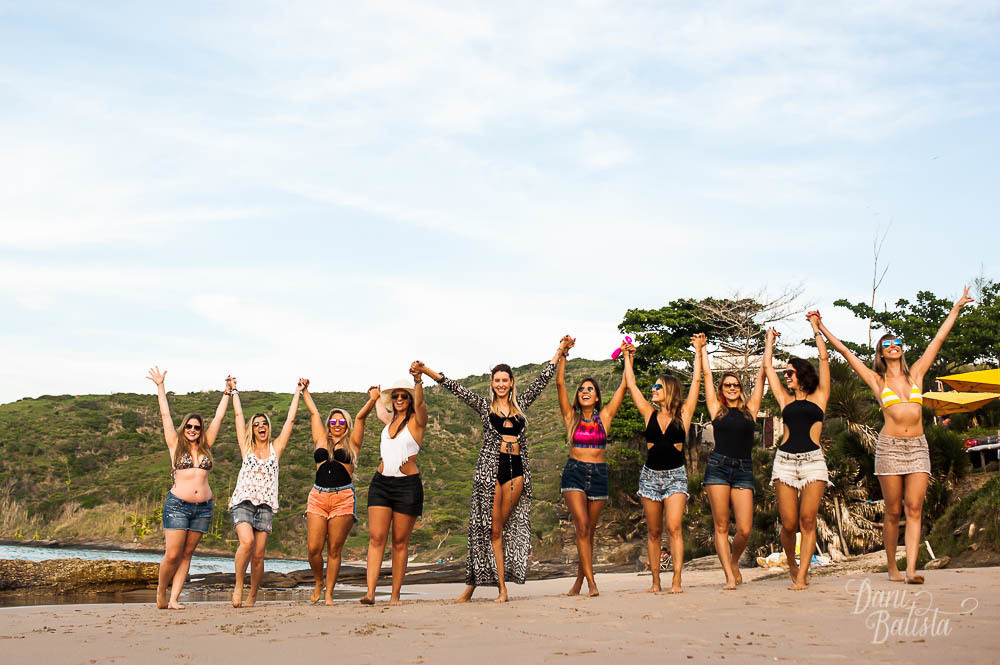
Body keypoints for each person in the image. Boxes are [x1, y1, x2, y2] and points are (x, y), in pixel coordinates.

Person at [811, 286, 974, 584]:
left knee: (915, 507)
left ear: (902, 349)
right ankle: (892, 567)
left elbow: (938, 339)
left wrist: (957, 307)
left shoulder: (918, 373)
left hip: (918, 447)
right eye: (887, 344)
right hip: (889, 448)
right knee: (893, 510)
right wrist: (821, 327)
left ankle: (910, 570)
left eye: (897, 342)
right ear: (881, 353)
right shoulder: (877, 380)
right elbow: (846, 353)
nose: (893, 345)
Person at [412, 336, 570, 603]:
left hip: (517, 471)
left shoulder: (521, 405)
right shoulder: (485, 406)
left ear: (511, 383)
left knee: (500, 528)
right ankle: (500, 590)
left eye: (505, 380)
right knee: (492, 530)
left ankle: (477, 587)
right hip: (490, 471)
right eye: (497, 380)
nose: (501, 384)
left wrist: (559, 351)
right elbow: (456, 389)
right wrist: (425, 371)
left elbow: (542, 380)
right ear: (492, 383)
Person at [145, 366, 231, 610]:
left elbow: (218, 418)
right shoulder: (174, 444)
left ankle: (174, 599)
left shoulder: (206, 445)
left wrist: (227, 392)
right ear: (184, 428)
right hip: (177, 506)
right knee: (173, 554)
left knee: (187, 554)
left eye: (197, 427)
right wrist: (160, 386)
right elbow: (165, 415)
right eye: (189, 427)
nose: (193, 430)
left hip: (203, 508)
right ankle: (161, 591)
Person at [624, 335, 704, 594]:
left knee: (674, 527)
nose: (653, 390)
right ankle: (656, 582)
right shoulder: (649, 414)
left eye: (657, 387)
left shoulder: (684, 414)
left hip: (675, 476)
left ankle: (677, 580)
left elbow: (696, 382)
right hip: (650, 477)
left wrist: (698, 351)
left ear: (669, 389)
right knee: (654, 532)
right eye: (653, 387)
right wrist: (628, 357)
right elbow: (631, 385)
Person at [762, 318, 831, 591]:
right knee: (789, 524)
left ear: (802, 373)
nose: (786, 376)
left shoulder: (820, 396)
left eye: (790, 372)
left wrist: (816, 328)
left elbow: (823, 359)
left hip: (813, 462)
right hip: (785, 463)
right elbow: (768, 368)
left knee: (808, 520)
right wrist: (769, 341)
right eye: (786, 373)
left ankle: (802, 575)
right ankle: (791, 562)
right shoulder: (785, 400)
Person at [556, 338, 628, 597]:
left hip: (599, 475)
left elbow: (624, 386)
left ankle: (578, 581)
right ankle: (592, 583)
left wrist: (627, 357)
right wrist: (563, 353)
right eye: (581, 389)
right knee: (583, 525)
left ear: (597, 397)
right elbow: (560, 384)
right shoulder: (571, 418)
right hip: (574, 473)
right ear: (578, 397)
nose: (584, 391)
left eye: (590, 389)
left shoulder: (604, 418)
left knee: (588, 532)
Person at [228, 377, 304, 607]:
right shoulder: (246, 447)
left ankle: (252, 595)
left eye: (264, 423)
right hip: (243, 502)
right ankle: (238, 585)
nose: (261, 426)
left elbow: (290, 420)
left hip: (266, 506)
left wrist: (298, 392)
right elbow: (238, 416)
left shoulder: (275, 449)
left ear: (269, 427)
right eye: (257, 424)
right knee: (247, 542)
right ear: (252, 429)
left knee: (259, 555)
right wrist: (234, 392)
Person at [302, 381, 380, 604]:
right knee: (313, 549)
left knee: (334, 549)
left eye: (341, 421)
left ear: (346, 424)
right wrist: (304, 391)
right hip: (318, 496)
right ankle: (319, 582)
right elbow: (314, 413)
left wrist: (373, 400)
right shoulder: (320, 438)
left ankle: (329, 594)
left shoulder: (353, 442)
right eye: (334, 421)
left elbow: (361, 418)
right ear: (329, 424)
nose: (337, 425)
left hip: (343, 498)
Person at [699, 340, 766, 589]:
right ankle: (728, 575)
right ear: (721, 389)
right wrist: (701, 349)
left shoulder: (750, 410)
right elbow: (707, 375)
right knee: (721, 526)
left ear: (740, 388)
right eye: (727, 385)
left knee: (745, 529)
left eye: (736, 384)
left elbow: (761, 377)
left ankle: (734, 561)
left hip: (743, 470)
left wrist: (768, 343)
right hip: (718, 467)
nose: (732, 388)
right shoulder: (716, 409)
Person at [359, 371, 428, 606]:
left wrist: (417, 382)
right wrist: (375, 396)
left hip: (406, 487)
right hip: (381, 484)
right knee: (376, 538)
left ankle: (395, 595)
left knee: (399, 542)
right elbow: (380, 411)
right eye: (396, 396)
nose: (399, 399)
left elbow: (420, 404)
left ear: (410, 399)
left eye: (404, 396)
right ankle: (370, 592)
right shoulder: (389, 420)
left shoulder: (417, 421)